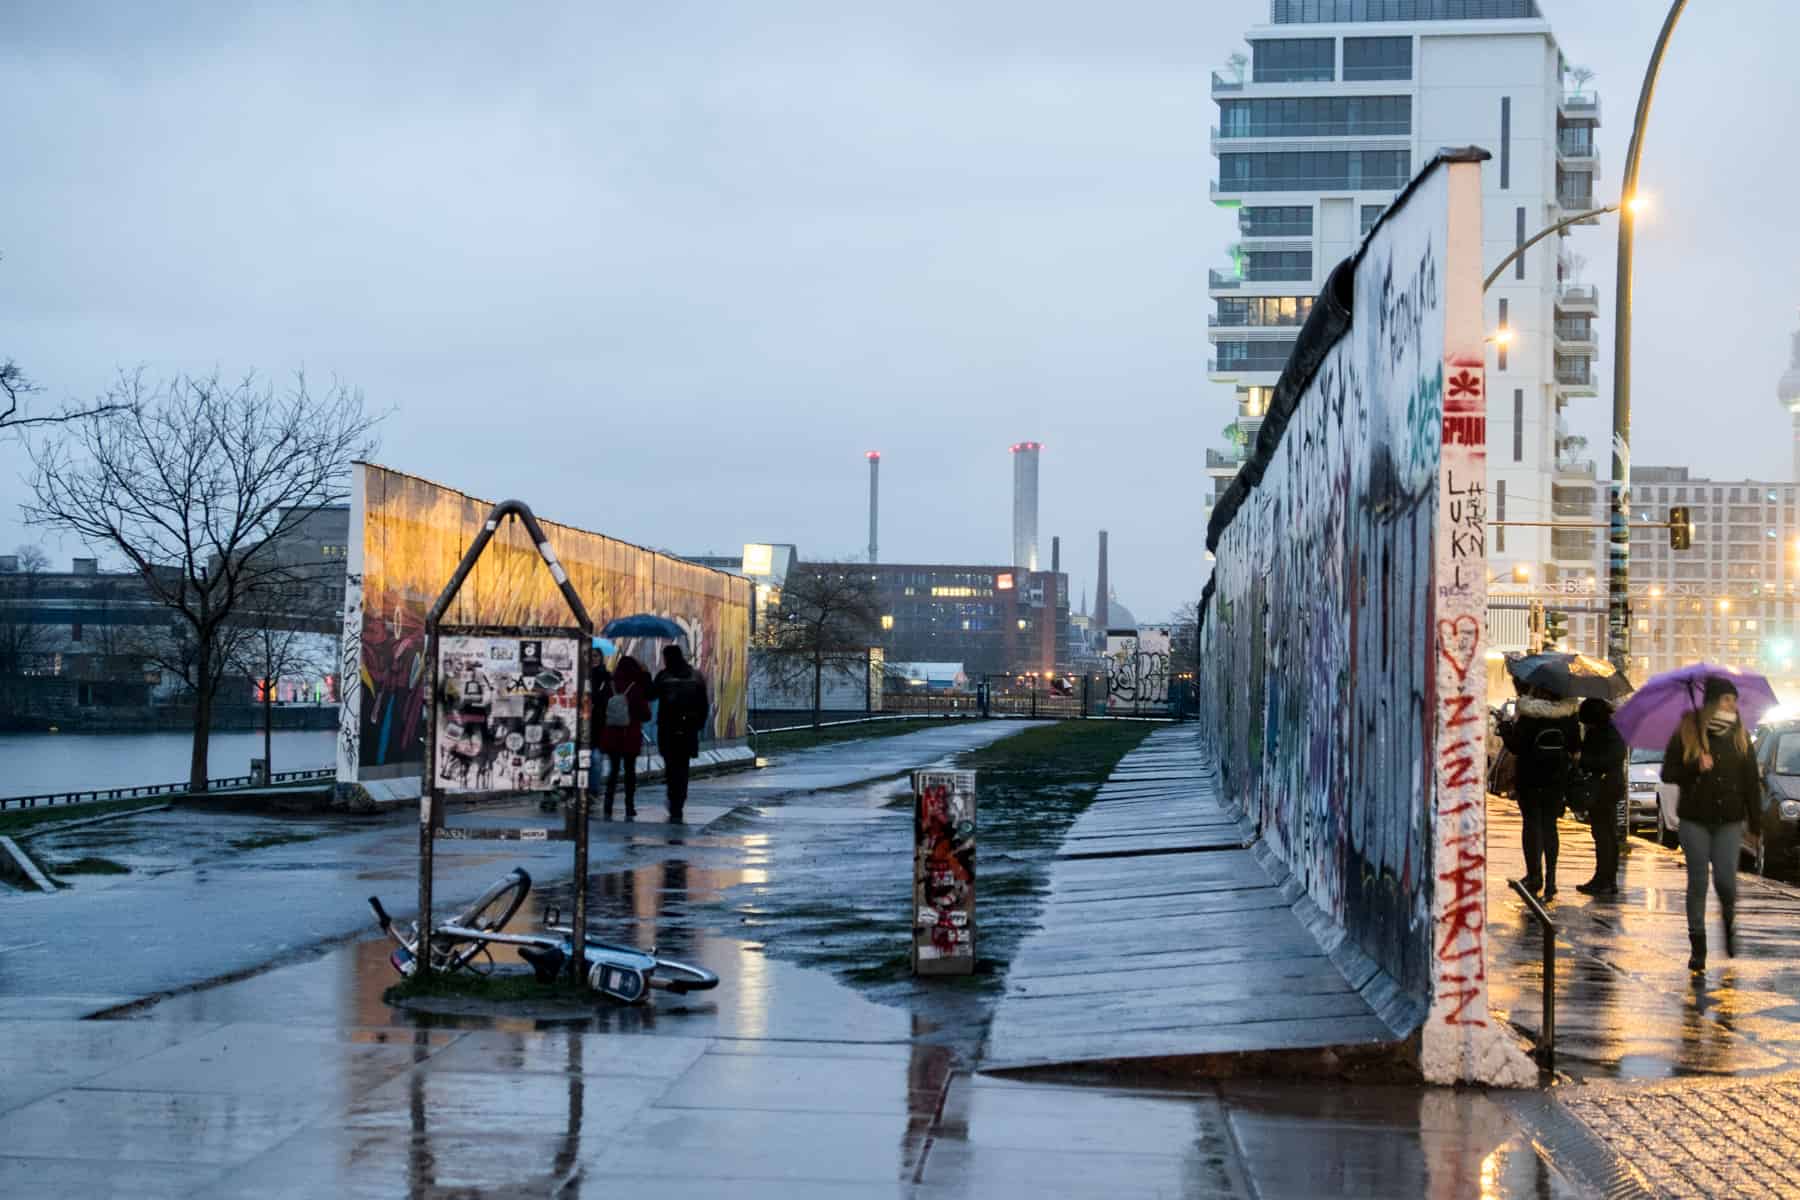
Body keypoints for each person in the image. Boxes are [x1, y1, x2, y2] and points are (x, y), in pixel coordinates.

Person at [1661, 676, 1761, 971]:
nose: (1733, 704)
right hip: (1694, 819)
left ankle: (1728, 921)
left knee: (1726, 882)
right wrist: (1694, 766)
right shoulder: (1687, 731)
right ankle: (1698, 947)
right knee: (1698, 883)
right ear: (1714, 702)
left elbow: (1751, 783)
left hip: (1729, 821)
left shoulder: (1740, 736)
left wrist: (1755, 825)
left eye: (1734, 699)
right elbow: (1668, 772)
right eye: (1727, 699)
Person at [1502, 686, 1582, 899]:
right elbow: (1575, 746)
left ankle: (1534, 875)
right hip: (1556, 780)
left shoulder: (1529, 715)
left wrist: (1506, 728)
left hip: (1530, 777)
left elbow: (1516, 746)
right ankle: (1552, 879)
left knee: (1531, 824)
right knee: (1550, 826)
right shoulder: (1568, 716)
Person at [1575, 698, 1627, 896]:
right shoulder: (1610, 729)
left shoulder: (1606, 731)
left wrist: (1583, 760)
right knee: (1607, 834)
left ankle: (1603, 879)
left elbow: (1609, 758)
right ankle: (1607, 878)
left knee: (1603, 835)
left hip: (1604, 788)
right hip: (1609, 787)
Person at [653, 644, 709, 823]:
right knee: (683, 767)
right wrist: (698, 724)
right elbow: (703, 704)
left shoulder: (664, 677)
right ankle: (680, 800)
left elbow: (650, 695)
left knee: (671, 767)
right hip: (688, 729)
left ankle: (673, 799)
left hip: (668, 729)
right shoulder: (695, 676)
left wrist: (646, 676)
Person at [594, 654, 653, 820]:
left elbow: (599, 708)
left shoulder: (609, 685)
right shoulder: (635, 687)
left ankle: (608, 804)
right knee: (629, 772)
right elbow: (646, 715)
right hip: (630, 736)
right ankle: (629, 806)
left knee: (613, 771)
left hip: (611, 735)